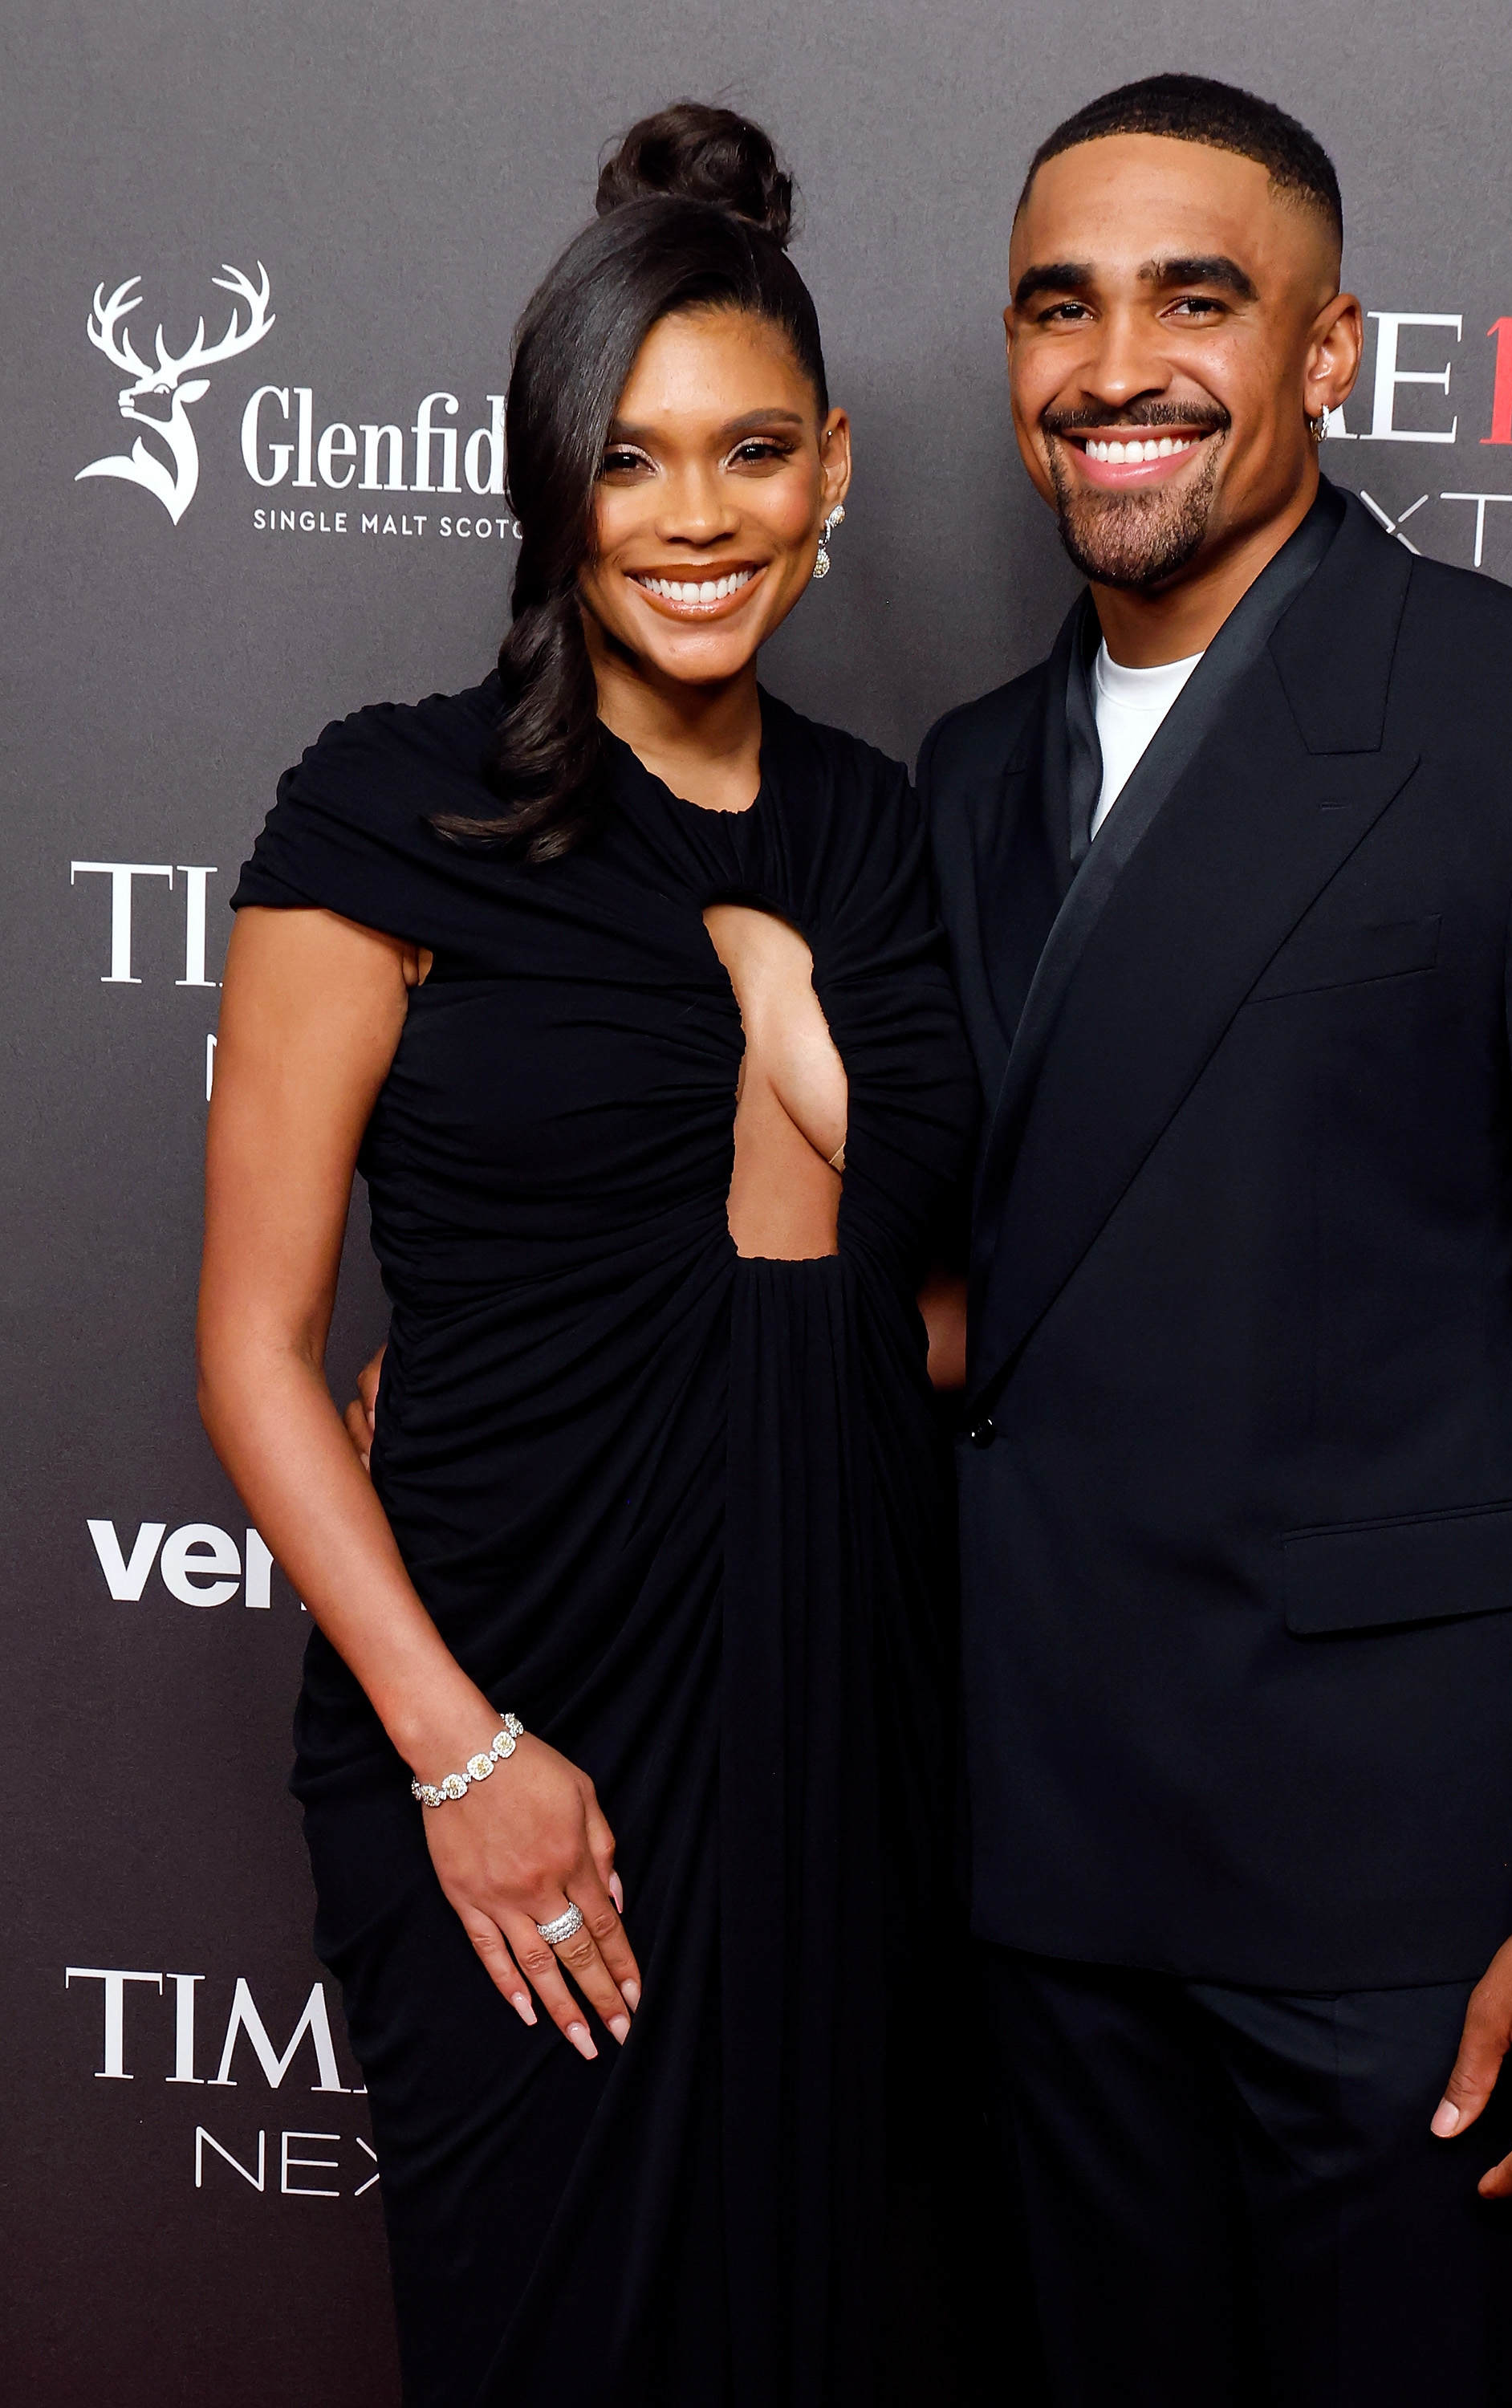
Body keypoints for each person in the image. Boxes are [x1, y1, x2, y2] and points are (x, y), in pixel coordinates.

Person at [917, 75, 1512, 2406]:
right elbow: (948, 1288)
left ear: (1328, 353)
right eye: (1058, 307)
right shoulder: (964, 777)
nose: (1117, 367)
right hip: (1042, 1874)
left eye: (1198, 300)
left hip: (1398, 1908)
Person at [197, 104, 981, 2408]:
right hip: (506, 1701)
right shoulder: (385, 808)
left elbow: (914, 1293)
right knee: (540, 2326)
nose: (700, 520)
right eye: (632, 463)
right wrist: (463, 1759)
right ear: (552, 486)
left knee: (824, 2332)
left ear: (832, 468)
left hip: (834, 1699)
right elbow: (254, 1352)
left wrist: (762, 981)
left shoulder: (876, 827)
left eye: (751, 453)